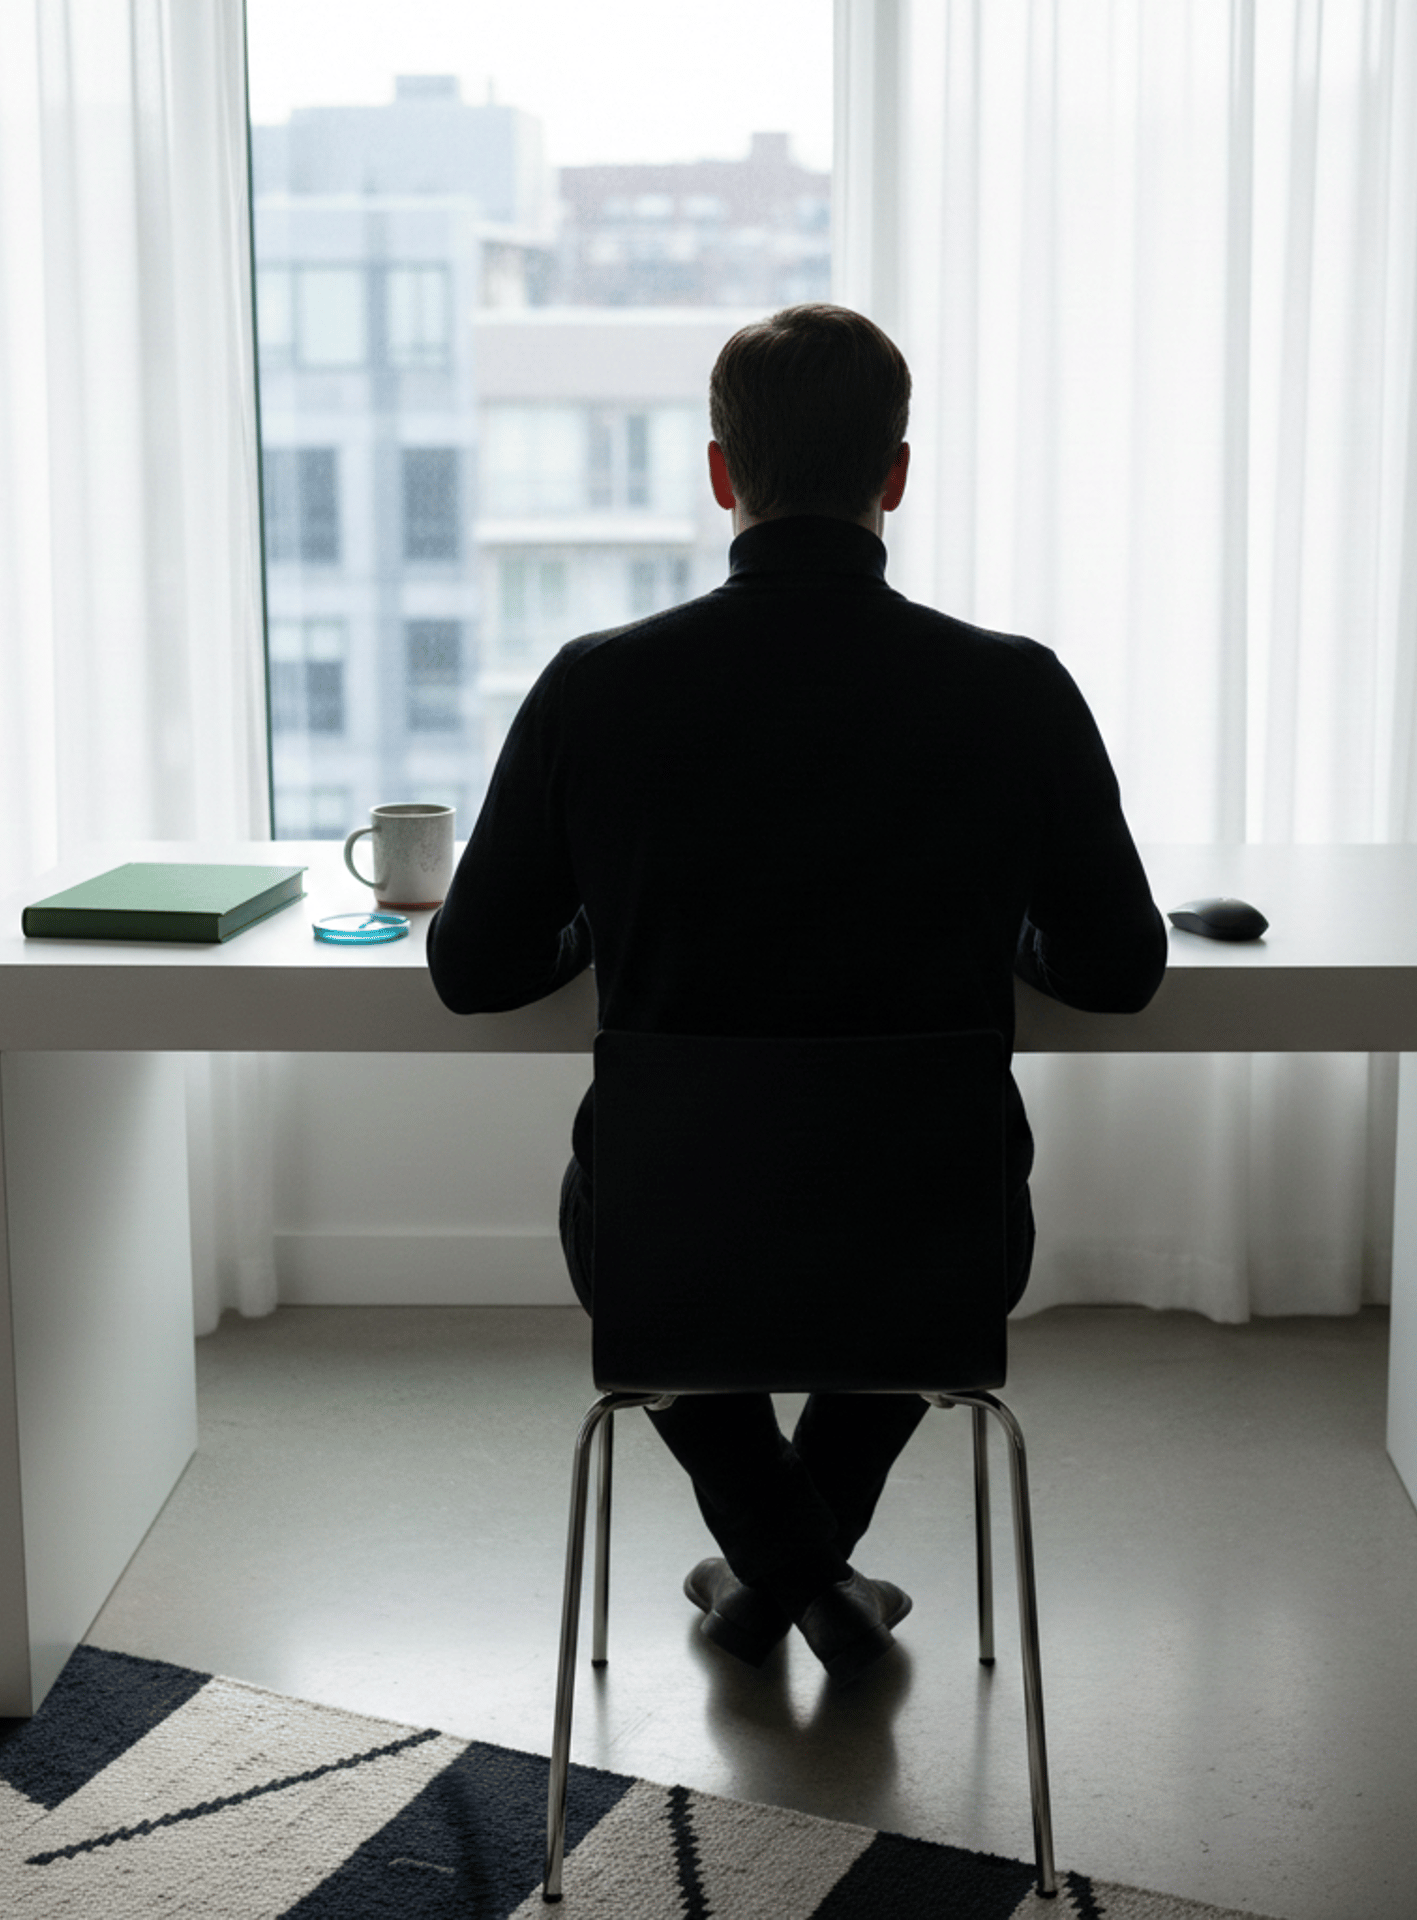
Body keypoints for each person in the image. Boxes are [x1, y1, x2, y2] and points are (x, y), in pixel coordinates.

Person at [427, 302, 1165, 1682]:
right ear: (895, 473)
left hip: (667, 1242)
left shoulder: (598, 689)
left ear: (721, 475)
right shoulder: (1012, 692)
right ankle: (805, 1567)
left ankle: (773, 1562)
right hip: (934, 1241)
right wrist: (1001, 925)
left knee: (665, 1237)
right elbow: (1120, 972)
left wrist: (601, 913)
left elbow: (474, 971)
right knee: (910, 1228)